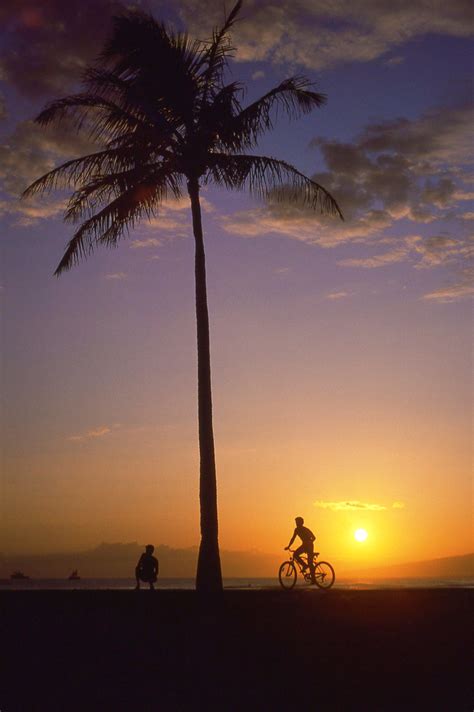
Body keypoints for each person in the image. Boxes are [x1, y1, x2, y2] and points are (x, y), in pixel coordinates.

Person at [285, 517, 316, 583]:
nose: (296, 524)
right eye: (296, 522)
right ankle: (305, 565)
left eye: (298, 522)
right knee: (295, 554)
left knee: (310, 562)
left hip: (309, 546)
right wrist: (289, 546)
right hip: (304, 545)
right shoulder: (296, 530)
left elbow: (314, 537)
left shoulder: (305, 529)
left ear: (301, 523)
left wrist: (309, 542)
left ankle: (313, 578)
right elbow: (293, 538)